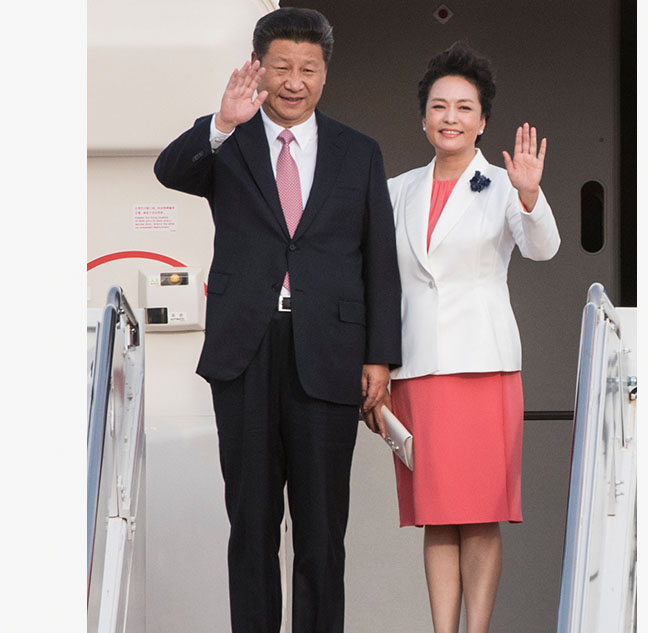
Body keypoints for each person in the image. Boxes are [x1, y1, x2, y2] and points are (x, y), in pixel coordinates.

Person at [153, 8, 402, 633]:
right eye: (283, 67)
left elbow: (379, 262)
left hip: (330, 352)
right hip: (247, 350)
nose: (295, 81)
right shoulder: (228, 137)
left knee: (322, 533)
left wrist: (380, 356)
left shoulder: (358, 152)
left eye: (308, 69)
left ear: (324, 73)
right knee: (253, 525)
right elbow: (169, 171)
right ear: (259, 69)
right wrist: (219, 122)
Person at [384, 42, 561, 633]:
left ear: (483, 120)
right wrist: (376, 364)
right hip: (417, 368)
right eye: (439, 106)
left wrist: (531, 196)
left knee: (480, 516)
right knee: (438, 515)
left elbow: (543, 248)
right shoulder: (395, 190)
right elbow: (382, 283)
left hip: (482, 367)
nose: (451, 118)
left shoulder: (506, 183)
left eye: (464, 107)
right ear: (424, 116)